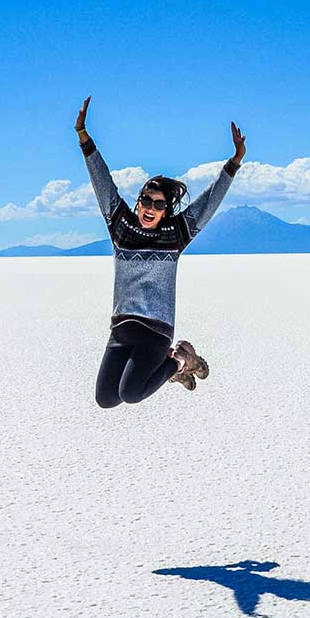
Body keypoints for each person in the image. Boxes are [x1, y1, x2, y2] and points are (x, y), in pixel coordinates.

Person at [75, 96, 244, 408]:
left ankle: (181, 361)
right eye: (146, 201)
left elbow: (208, 203)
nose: (151, 208)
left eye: (159, 204)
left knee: (131, 394)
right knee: (106, 399)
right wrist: (84, 138)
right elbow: (103, 183)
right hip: (122, 327)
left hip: (156, 330)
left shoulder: (175, 235)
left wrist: (233, 164)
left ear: (166, 211)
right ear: (138, 202)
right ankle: (171, 371)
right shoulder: (120, 226)